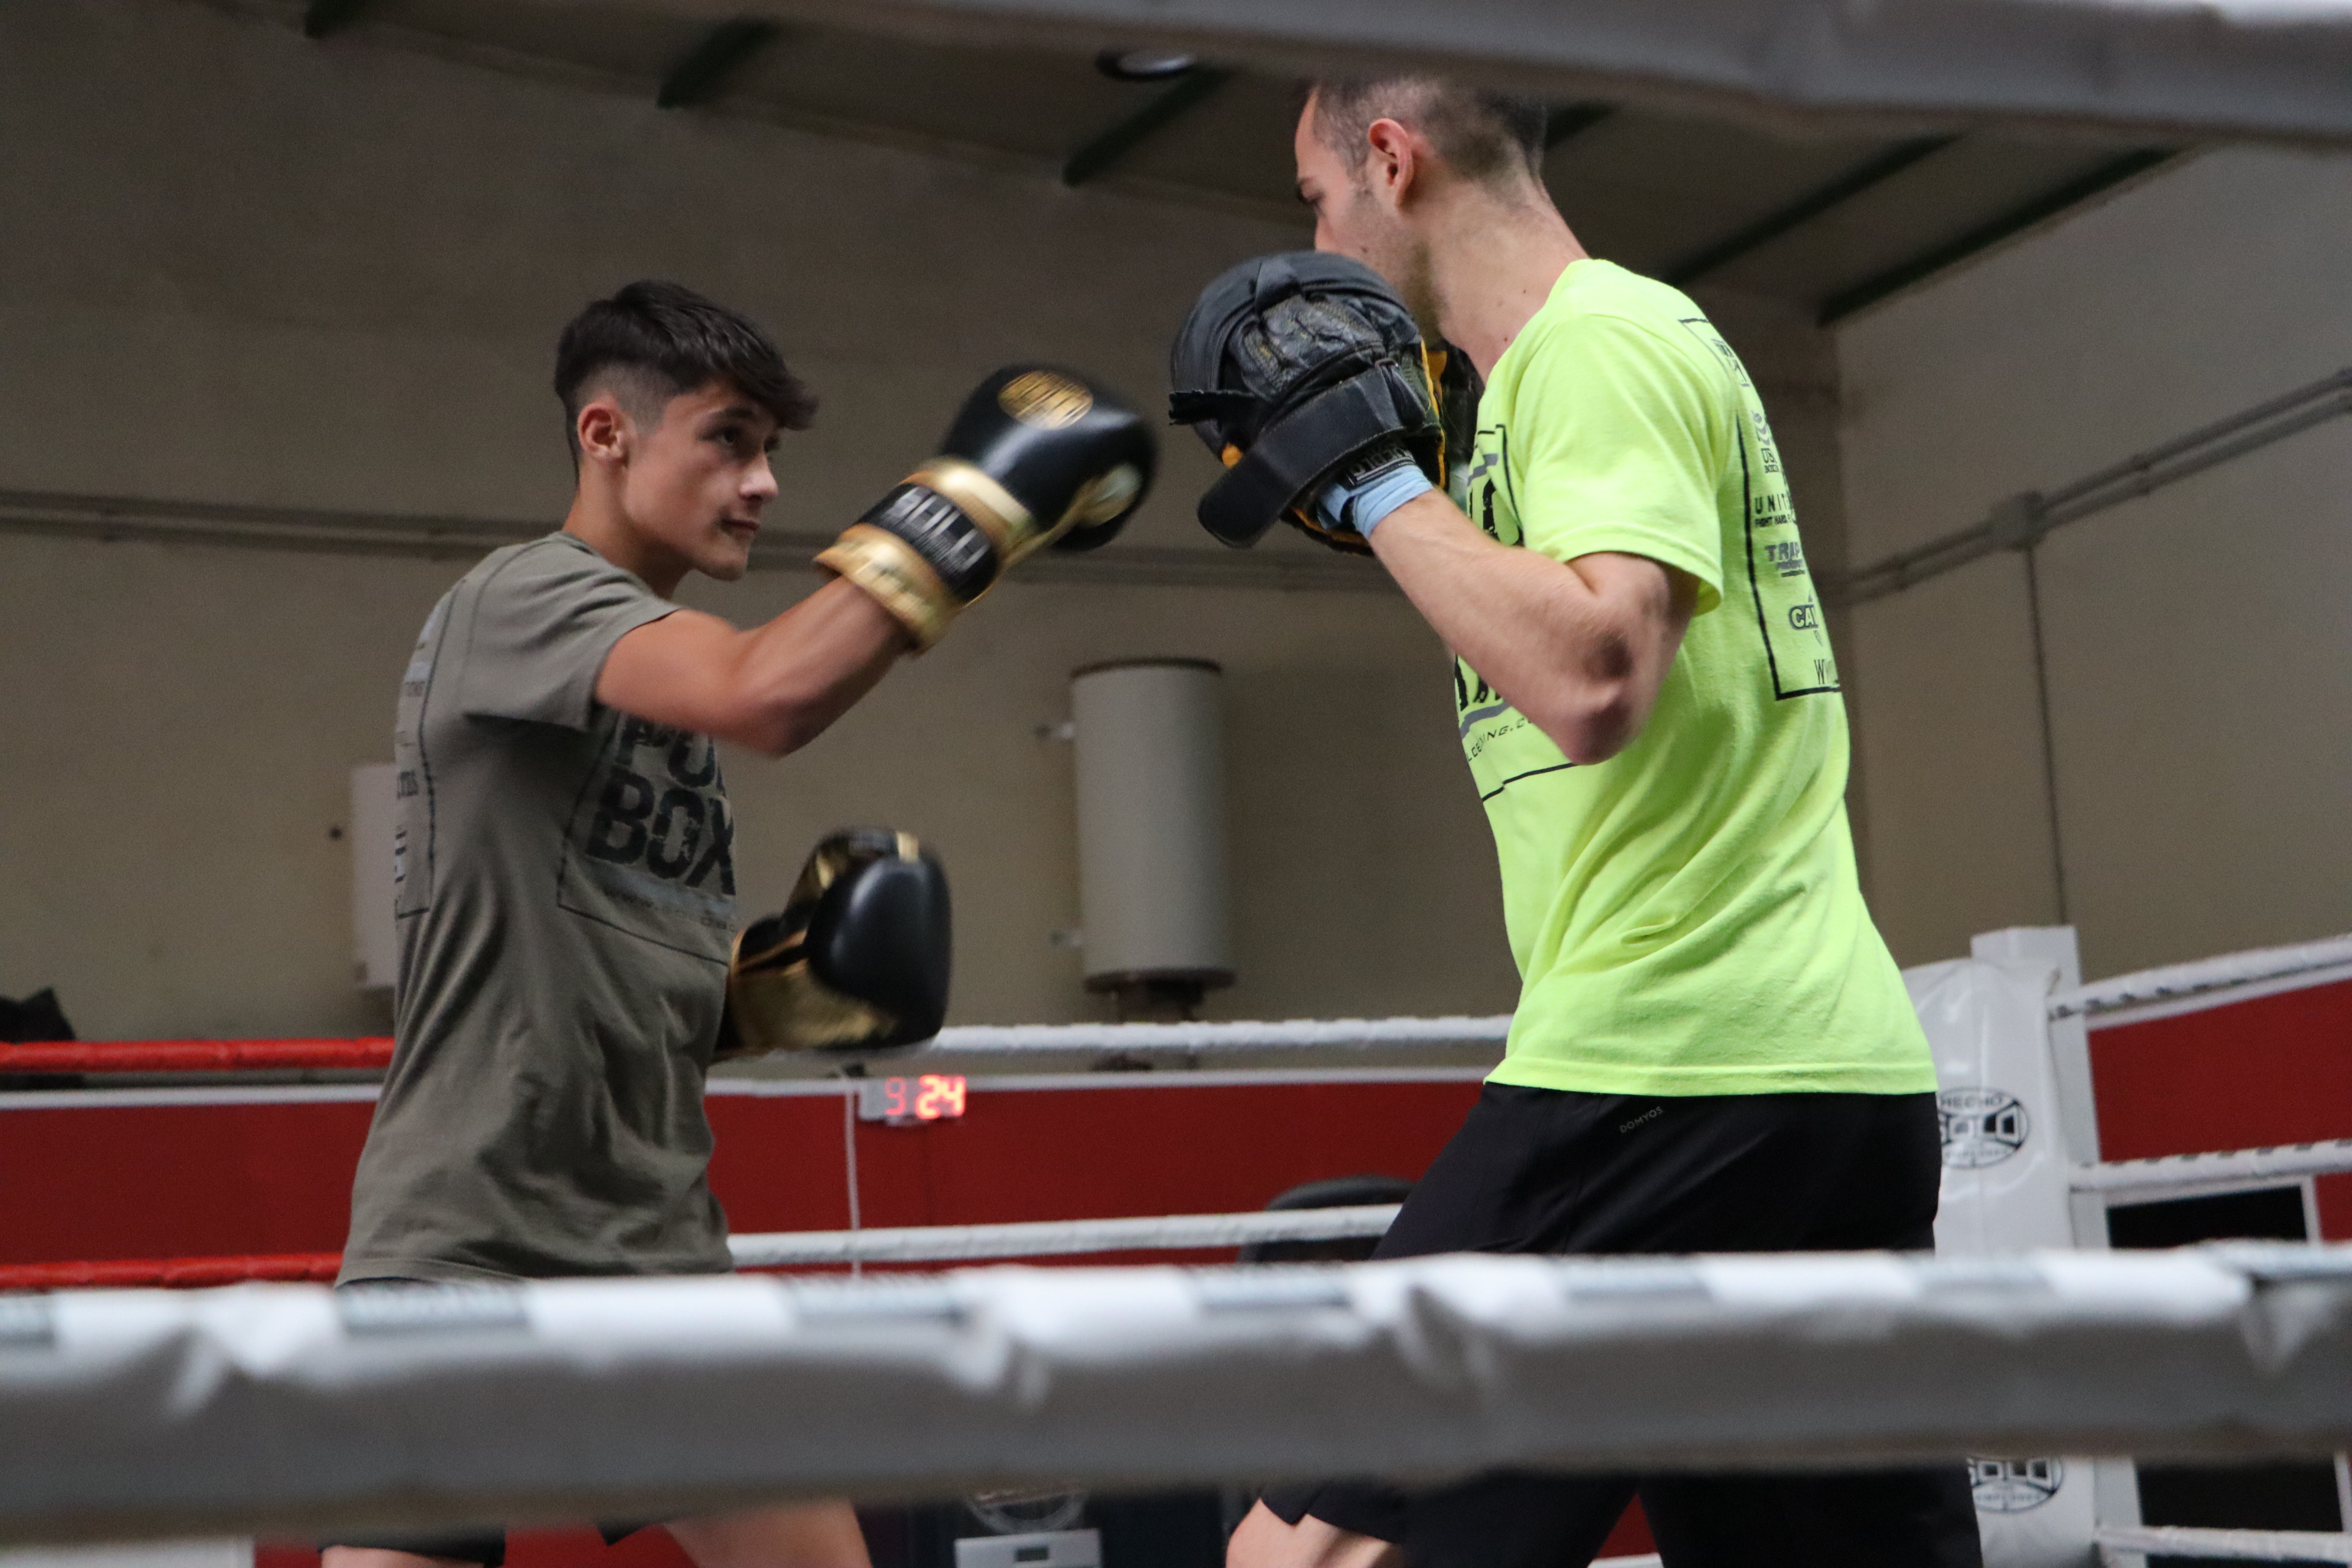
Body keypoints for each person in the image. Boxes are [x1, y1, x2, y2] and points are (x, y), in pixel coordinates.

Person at [1186, 81, 1983, 1568]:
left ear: (1390, 159)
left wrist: (1371, 487)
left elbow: (1597, 672)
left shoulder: (1596, 349)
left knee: (1300, 1557)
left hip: (1666, 1064)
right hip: (1816, 1085)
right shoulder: (1555, 383)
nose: (1315, 233)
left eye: (1315, 193)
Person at [329, 280, 1149, 1568]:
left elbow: (626, 982)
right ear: (607, 437)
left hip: (653, 1252)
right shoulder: (521, 600)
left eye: (770, 450)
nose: (763, 483)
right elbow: (773, 691)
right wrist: (980, 494)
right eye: (728, 439)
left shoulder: (661, 714)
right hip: (466, 1247)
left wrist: (785, 993)